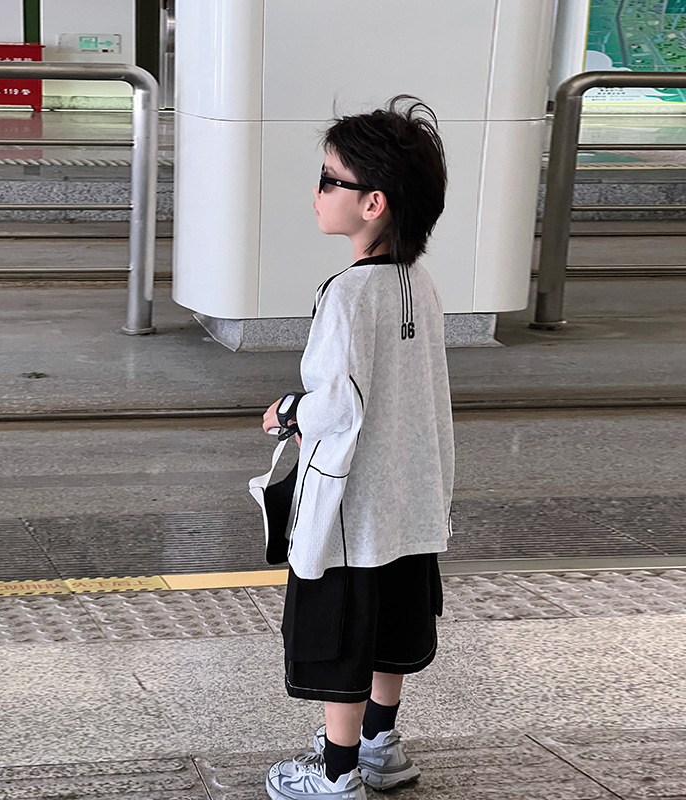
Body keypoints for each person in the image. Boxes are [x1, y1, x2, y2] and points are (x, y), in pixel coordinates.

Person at [261, 96, 455, 800]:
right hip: (411, 496)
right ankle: (380, 745)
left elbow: (339, 405)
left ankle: (337, 773)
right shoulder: (418, 283)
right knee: (394, 622)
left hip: (350, 502)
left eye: (328, 180)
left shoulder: (345, 293)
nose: (316, 192)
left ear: (373, 203)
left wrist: (288, 411)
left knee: (341, 630)